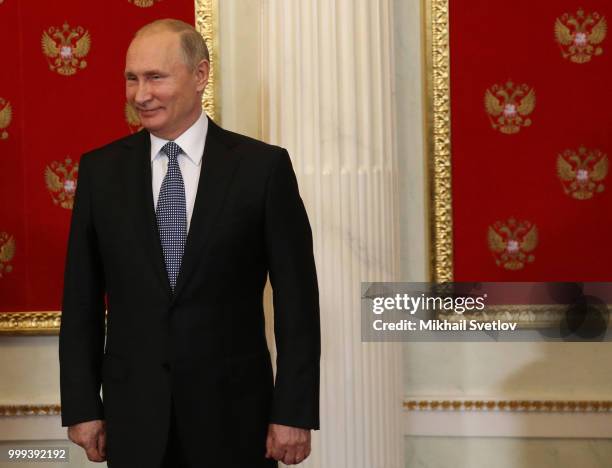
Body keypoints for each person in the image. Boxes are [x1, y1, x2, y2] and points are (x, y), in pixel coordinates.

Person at [59, 19, 320, 468]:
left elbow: (298, 302)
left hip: (236, 419)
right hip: (133, 418)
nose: (141, 94)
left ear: (200, 76)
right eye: (132, 78)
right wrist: (83, 407)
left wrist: (293, 412)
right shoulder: (101, 173)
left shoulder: (262, 170)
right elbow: (80, 299)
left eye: (156, 77)